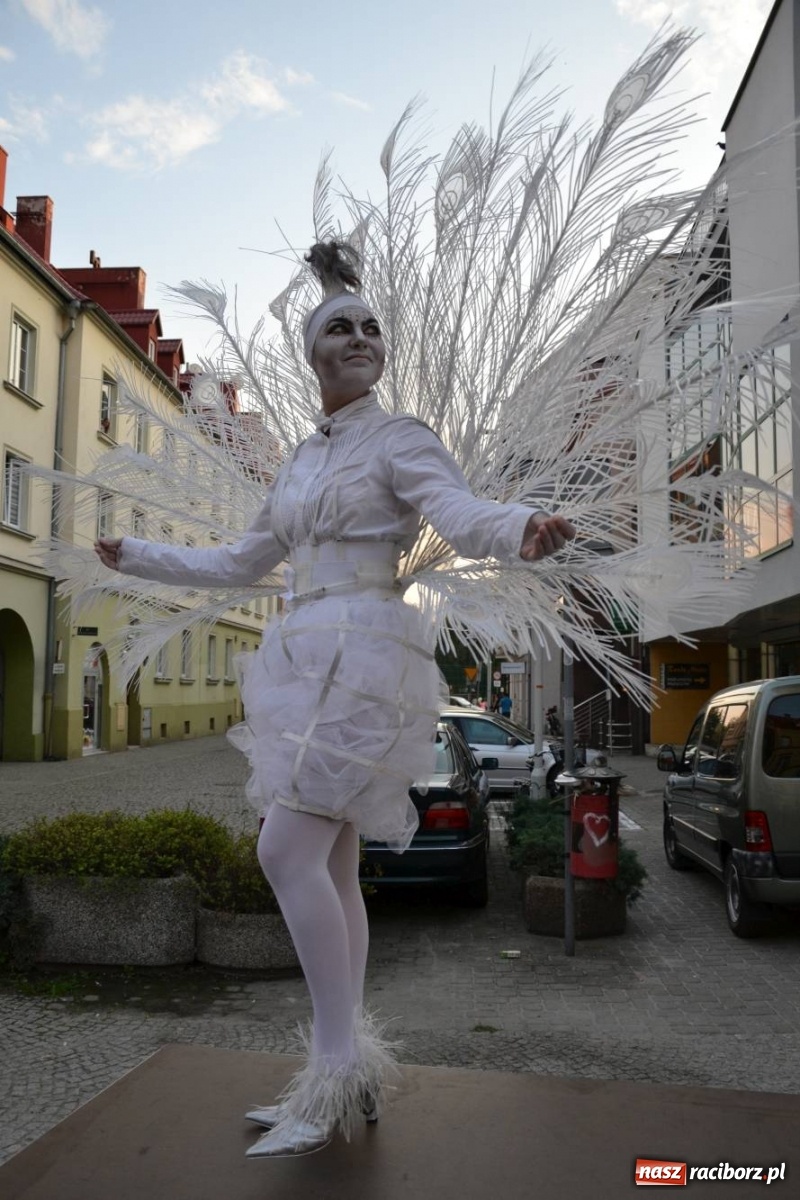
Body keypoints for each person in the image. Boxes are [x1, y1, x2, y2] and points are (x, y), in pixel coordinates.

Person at [95, 242, 575, 1159]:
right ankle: (346, 1073)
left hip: (365, 652)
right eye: (339, 329)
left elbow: (460, 511)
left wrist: (521, 528)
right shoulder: (297, 467)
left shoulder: (402, 439)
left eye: (370, 329)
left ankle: (331, 1065)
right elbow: (240, 563)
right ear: (312, 354)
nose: (359, 338)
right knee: (336, 862)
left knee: (285, 850)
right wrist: (140, 554)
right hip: (300, 650)